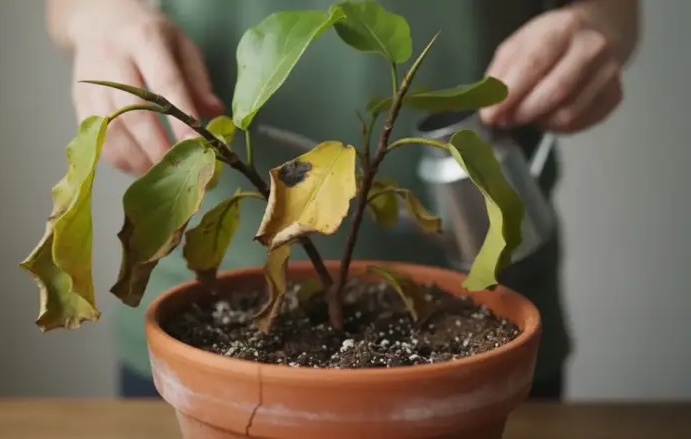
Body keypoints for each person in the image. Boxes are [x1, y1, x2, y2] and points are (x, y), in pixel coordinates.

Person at [46, 0, 640, 399]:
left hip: (485, 306)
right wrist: (100, 15)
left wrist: (601, 23)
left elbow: (614, 10)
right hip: (201, 306)